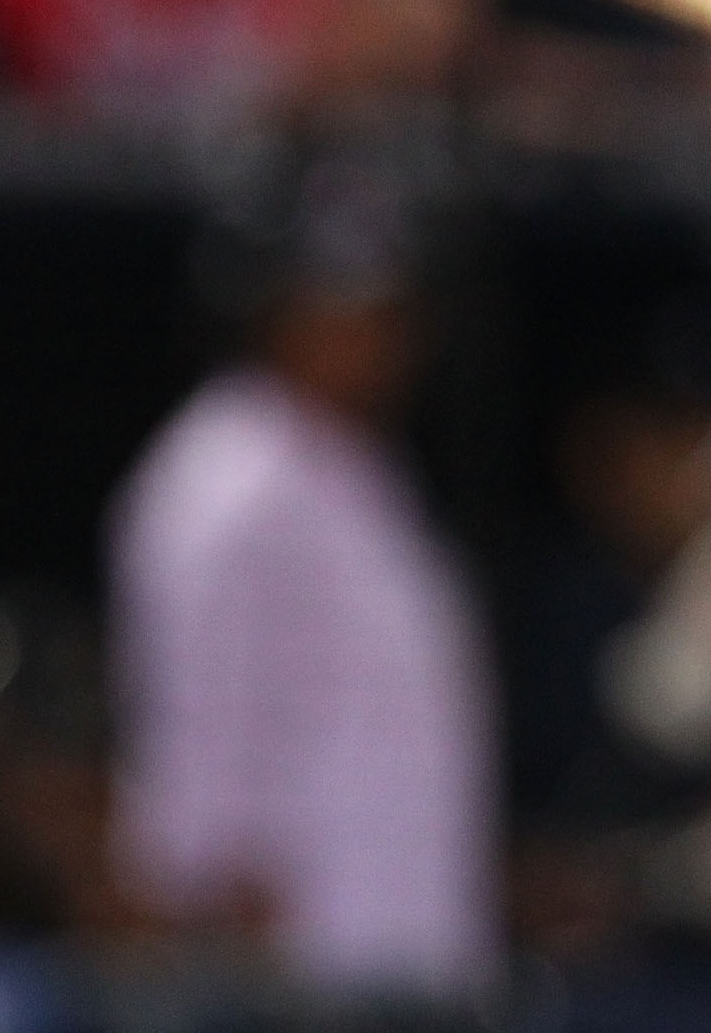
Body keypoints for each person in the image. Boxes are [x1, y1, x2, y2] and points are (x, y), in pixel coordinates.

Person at [108, 154, 499, 1013]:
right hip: (293, 974)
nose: (383, 337)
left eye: (389, 311)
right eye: (346, 310)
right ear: (270, 312)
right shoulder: (228, 478)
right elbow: (199, 721)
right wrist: (222, 922)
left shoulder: (354, 467)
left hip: (395, 952)